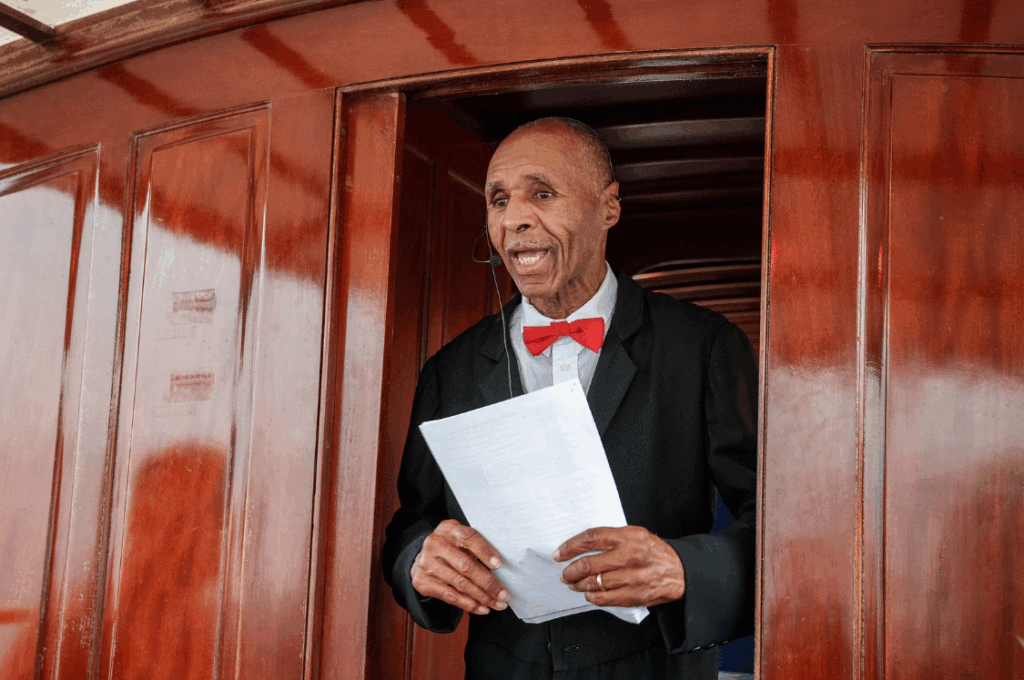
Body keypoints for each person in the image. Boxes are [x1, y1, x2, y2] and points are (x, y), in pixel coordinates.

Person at [382, 116, 758, 679]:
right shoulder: (449, 370)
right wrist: (418, 560)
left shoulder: (705, 347)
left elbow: (781, 527)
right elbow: (413, 523)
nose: (515, 219)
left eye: (543, 193)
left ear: (608, 207)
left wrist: (684, 568)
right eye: (499, 200)